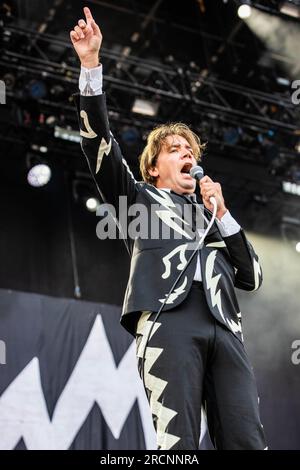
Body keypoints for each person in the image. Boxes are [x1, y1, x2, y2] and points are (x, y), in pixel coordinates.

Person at [70, 7, 267, 450]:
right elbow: (98, 143)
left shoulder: (213, 215)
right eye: (175, 149)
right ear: (154, 165)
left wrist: (224, 215)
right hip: (168, 319)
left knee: (247, 440)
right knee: (177, 444)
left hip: (225, 327)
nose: (186, 154)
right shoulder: (137, 197)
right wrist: (90, 66)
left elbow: (252, 276)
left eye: (190, 149)